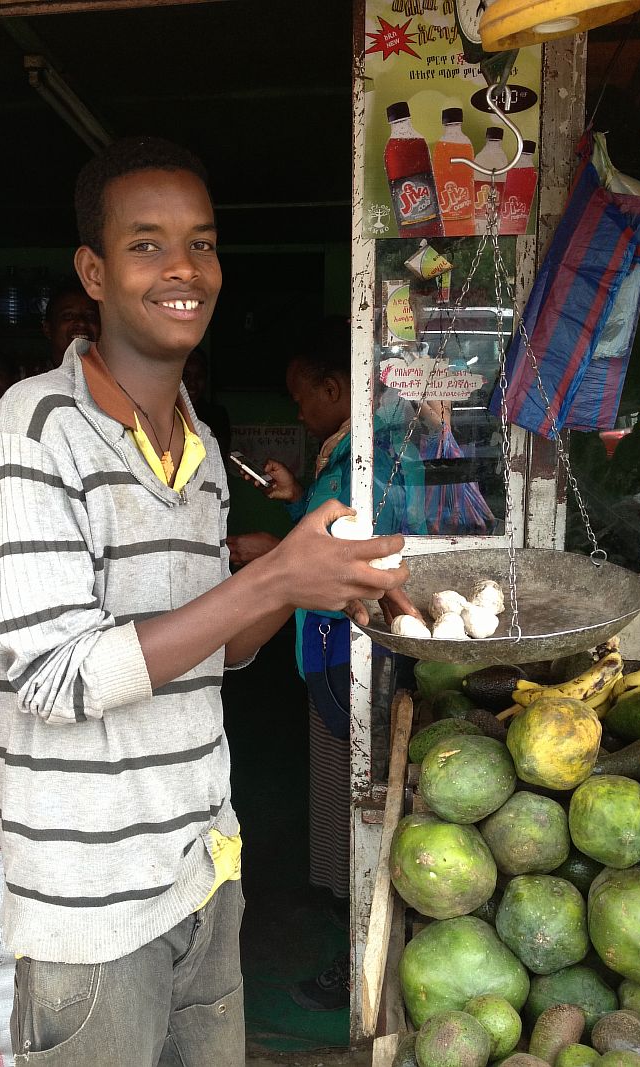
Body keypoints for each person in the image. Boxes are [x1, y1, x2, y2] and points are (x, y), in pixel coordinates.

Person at [0, 136, 413, 1067]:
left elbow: (213, 650)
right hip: (94, 908)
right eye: (146, 244)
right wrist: (272, 577)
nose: (183, 269)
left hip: (205, 874)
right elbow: (57, 677)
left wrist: (315, 585)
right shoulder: (30, 432)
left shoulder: (200, 447)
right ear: (92, 270)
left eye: (201, 244)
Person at [227, 316, 426, 1011]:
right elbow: (326, 544)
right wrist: (290, 511)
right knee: (343, 792)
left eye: (300, 394)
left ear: (335, 386)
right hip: (329, 651)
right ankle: (348, 926)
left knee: (364, 797)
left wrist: (268, 558)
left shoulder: (367, 463)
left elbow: (356, 560)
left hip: (354, 650)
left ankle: (358, 964)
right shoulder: (337, 456)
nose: (297, 409)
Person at [182, 346, 232, 461]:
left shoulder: (217, 416)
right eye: (186, 376)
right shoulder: (164, 415)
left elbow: (218, 457)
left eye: (199, 376)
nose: (192, 384)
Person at [42, 280, 100, 367]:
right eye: (68, 316)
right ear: (47, 329)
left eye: (90, 316)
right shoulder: (26, 377)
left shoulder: (118, 377)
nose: (81, 323)